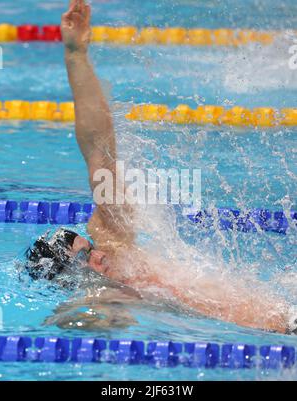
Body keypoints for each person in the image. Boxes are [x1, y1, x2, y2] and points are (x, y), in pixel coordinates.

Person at [25, 0, 296, 335]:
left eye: (89, 249)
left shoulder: (115, 242)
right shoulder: (107, 299)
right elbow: (102, 327)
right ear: (68, 279)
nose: (97, 257)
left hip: (286, 315)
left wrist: (76, 56)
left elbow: (99, 149)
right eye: (84, 260)